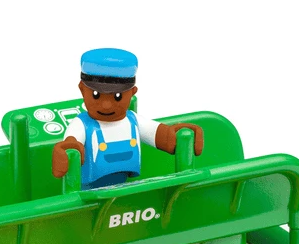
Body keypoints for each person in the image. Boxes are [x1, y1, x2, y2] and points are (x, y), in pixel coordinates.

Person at [52, 48, 204, 190]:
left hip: (124, 189)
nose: (106, 105)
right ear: (82, 89)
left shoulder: (133, 121)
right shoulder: (82, 124)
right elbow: (71, 143)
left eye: (117, 96)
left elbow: (159, 135)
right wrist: (65, 151)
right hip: (89, 192)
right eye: (96, 95)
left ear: (132, 92)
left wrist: (177, 136)